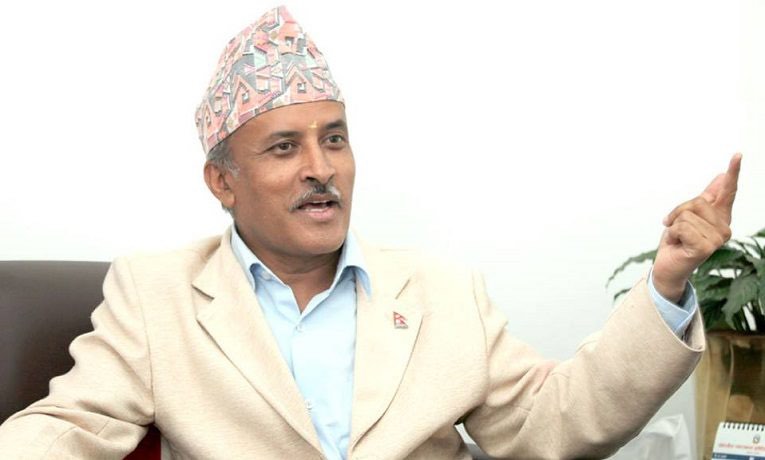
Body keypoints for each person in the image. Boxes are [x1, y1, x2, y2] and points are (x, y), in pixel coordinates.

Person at [0, 6, 742, 459]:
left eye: (335, 139)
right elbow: (68, 427)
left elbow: (555, 425)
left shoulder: (443, 291)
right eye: (284, 148)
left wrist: (667, 279)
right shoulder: (156, 293)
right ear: (222, 181)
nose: (321, 168)